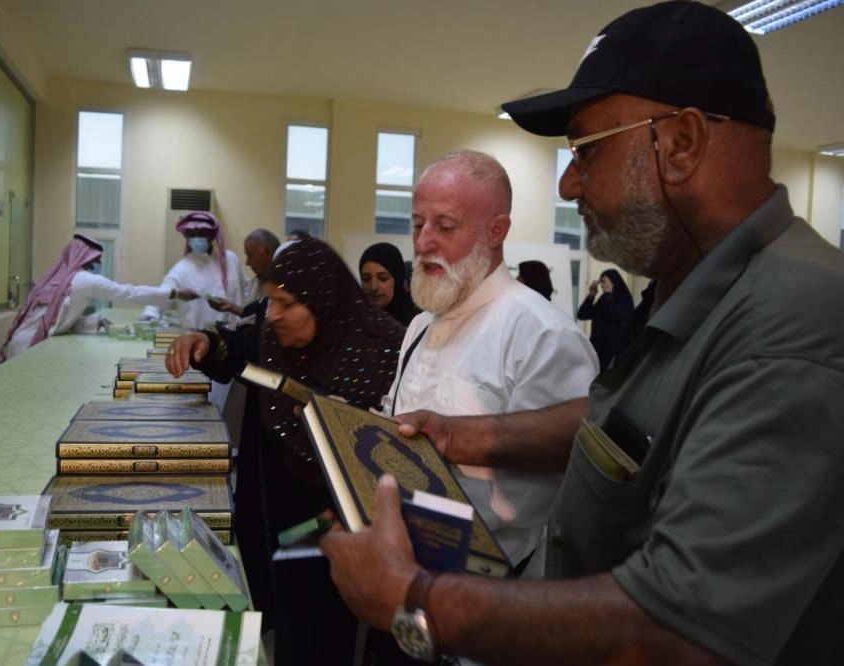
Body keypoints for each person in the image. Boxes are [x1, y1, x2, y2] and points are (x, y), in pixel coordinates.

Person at [320, 3, 844, 665]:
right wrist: (464, 435)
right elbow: (625, 433)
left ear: (680, 143)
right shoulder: (694, 291)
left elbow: (682, 629)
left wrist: (416, 598)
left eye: (585, 150)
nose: (569, 185)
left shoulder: (792, 323)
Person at [165, 236, 407, 666]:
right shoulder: (274, 339)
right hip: (287, 520)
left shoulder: (386, 349)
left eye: (288, 303)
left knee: (333, 633)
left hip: (345, 526)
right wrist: (202, 341)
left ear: (323, 300)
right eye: (271, 301)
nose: (273, 315)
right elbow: (237, 352)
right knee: (293, 625)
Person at [380, 150, 598, 580]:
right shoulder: (421, 324)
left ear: (497, 231)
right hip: (406, 564)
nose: (423, 244)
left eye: (445, 226)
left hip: (492, 587)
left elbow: (557, 472)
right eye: (418, 224)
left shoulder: (543, 335)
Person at [0, 234, 177, 361]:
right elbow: (129, 293)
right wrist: (172, 293)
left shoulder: (58, 279)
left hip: (20, 343)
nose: (98, 264)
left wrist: (95, 321)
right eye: (95, 259)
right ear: (83, 258)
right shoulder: (84, 280)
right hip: (30, 347)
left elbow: (58, 318)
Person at [140, 211, 249, 329]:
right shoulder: (181, 269)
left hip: (237, 333)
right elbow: (162, 295)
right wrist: (149, 317)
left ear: (212, 235)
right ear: (186, 237)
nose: (196, 238)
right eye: (192, 234)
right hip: (200, 335)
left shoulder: (231, 259)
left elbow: (247, 291)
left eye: (202, 234)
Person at [208, 228, 280, 321]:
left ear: (267, 253)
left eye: (250, 255)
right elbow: (250, 314)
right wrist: (231, 307)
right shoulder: (255, 282)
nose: (247, 262)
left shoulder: (283, 285)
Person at [577, 268, 634, 370]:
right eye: (601, 282)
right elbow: (582, 314)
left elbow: (617, 315)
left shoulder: (624, 300)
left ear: (613, 282)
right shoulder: (604, 299)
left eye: (604, 282)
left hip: (614, 354)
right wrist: (591, 295)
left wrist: (608, 294)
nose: (602, 285)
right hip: (598, 351)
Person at [360, 241, 418, 325]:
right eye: (366, 279)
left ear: (397, 280)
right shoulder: (356, 317)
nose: (373, 287)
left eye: (383, 278)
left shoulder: (418, 322)